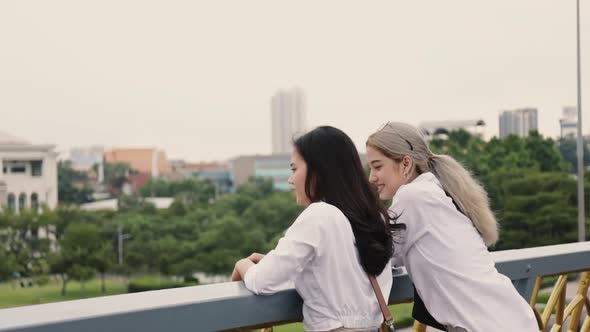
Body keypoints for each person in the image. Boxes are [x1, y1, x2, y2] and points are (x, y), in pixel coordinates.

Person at [366, 122, 538, 332]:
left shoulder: (413, 197)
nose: (371, 177)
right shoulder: (438, 194)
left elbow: (373, 252)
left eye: (377, 166)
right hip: (510, 321)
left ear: (405, 164)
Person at [232, 126, 395, 332]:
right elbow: (343, 272)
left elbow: (261, 281)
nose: (291, 179)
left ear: (318, 171)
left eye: (294, 169)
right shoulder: (374, 216)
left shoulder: (319, 215)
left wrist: (243, 265)